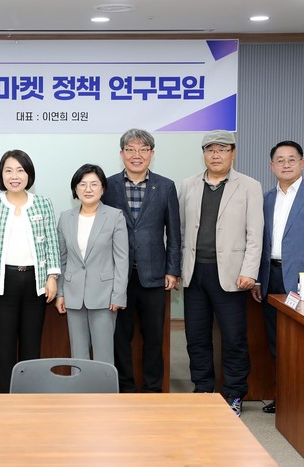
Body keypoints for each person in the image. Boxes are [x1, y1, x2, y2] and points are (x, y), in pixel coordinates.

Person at [179, 130, 263, 417]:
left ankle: (235, 394)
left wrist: (249, 271)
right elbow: (181, 230)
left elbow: (255, 234)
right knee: (196, 338)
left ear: (233, 153)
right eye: (210, 150)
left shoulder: (249, 186)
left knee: (233, 338)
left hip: (231, 275)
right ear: (203, 153)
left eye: (222, 149)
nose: (216, 155)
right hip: (195, 274)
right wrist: (178, 268)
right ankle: (203, 389)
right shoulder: (188, 185)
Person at [251, 140, 304, 414]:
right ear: (271, 166)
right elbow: (260, 243)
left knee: (301, 343)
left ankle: (303, 401)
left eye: (291, 159)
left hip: (303, 282)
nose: (285, 164)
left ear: (302, 163)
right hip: (271, 278)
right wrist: (258, 279)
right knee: (276, 341)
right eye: (280, 160)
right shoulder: (266, 198)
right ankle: (283, 397)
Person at [0, 150, 61, 393]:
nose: (14, 176)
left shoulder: (42, 203)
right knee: (3, 347)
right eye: (9, 170)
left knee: (31, 346)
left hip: (35, 282)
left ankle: (29, 399)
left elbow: (51, 243)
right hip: (1, 282)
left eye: (20, 170)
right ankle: (3, 399)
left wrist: (52, 277)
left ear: (29, 174)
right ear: (1, 175)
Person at [102, 128, 181, 393]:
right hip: (118, 276)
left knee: (154, 338)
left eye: (143, 150)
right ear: (121, 153)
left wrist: (173, 270)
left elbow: (174, 232)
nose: (137, 155)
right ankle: (125, 389)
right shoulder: (108, 186)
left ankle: (152, 390)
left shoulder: (166, 186)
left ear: (151, 154)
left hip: (154, 275)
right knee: (120, 337)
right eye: (131, 149)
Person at [55, 164, 129, 365]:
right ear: (75, 189)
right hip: (73, 295)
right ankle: (78, 387)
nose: (88, 189)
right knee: (78, 355)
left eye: (94, 184)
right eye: (82, 184)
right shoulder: (65, 218)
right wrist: (60, 293)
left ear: (102, 188)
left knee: (104, 355)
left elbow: (122, 259)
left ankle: (104, 387)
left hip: (105, 297)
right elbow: (62, 259)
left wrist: (118, 295)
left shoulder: (114, 216)